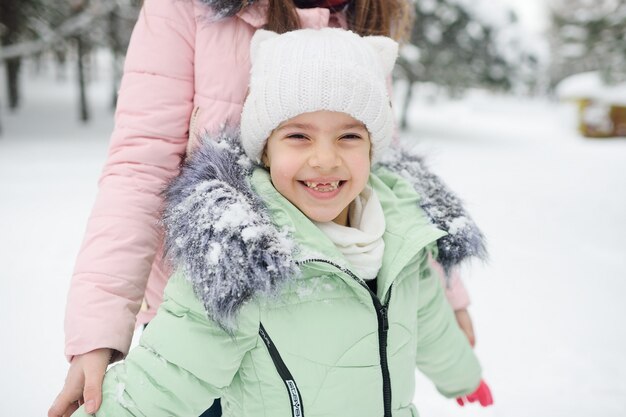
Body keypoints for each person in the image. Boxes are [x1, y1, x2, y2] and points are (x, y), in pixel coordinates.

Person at [49, 1, 479, 416]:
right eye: (298, 138)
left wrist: (448, 292)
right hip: (215, 306)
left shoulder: (362, 12)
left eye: (346, 138)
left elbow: (392, 188)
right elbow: (139, 168)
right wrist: (99, 331)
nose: (326, 159)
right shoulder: (186, 8)